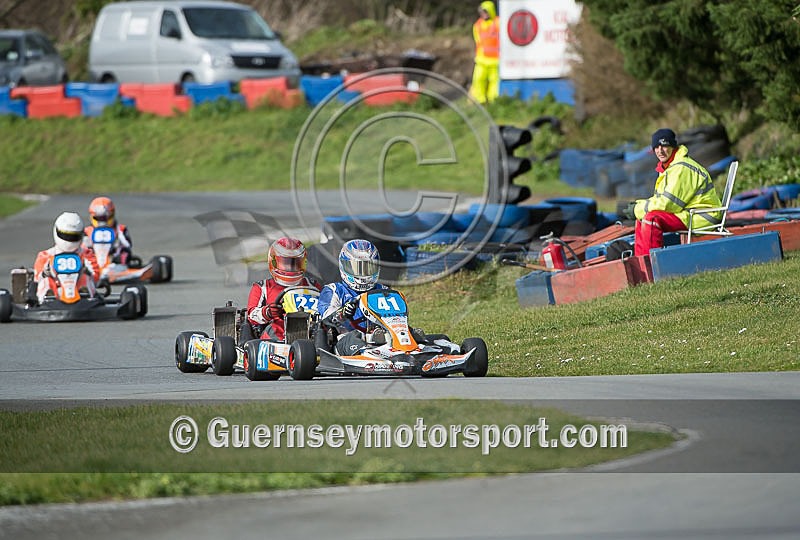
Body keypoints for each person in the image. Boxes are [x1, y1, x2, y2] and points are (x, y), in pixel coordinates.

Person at [625, 128, 723, 256]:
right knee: (642, 217)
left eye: (664, 146)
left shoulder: (681, 168)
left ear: (673, 146)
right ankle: (640, 260)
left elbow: (668, 204)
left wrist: (637, 209)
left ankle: (651, 263)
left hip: (702, 216)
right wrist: (639, 207)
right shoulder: (670, 167)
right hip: (689, 213)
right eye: (656, 147)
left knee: (651, 219)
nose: (660, 151)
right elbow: (661, 200)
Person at [243, 237, 322, 343]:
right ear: (274, 262)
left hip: (311, 333)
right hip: (278, 335)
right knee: (274, 328)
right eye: (286, 263)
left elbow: (326, 306)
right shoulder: (263, 287)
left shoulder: (312, 285)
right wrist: (268, 312)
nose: (290, 267)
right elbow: (251, 316)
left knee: (323, 332)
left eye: (295, 263)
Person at [318, 239, 387, 356]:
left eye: (368, 268)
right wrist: (343, 313)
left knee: (413, 335)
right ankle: (366, 353)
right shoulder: (334, 290)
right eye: (357, 268)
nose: (363, 274)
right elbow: (326, 319)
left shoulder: (384, 291)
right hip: (346, 340)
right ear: (345, 266)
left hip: (382, 339)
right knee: (356, 337)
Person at [33, 212, 101, 303]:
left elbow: (96, 276)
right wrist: (46, 273)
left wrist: (86, 270)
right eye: (65, 235)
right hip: (56, 291)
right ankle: (48, 297)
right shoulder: (46, 255)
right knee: (46, 280)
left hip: (78, 292)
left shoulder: (86, 254)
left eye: (74, 236)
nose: (69, 240)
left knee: (85, 277)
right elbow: (37, 279)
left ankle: (85, 294)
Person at [83, 196, 133, 265]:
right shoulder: (87, 231)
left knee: (124, 251)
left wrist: (117, 248)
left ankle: (121, 264)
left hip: (115, 263)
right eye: (99, 218)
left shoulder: (120, 229)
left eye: (105, 218)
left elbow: (128, 245)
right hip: (92, 262)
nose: (102, 221)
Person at [469, 1, 500, 104]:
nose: (484, 14)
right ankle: (480, 102)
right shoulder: (477, 25)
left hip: (495, 61)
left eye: (486, 11)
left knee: (494, 82)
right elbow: (478, 42)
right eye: (482, 12)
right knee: (478, 80)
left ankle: (493, 101)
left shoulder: (498, 23)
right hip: (481, 60)